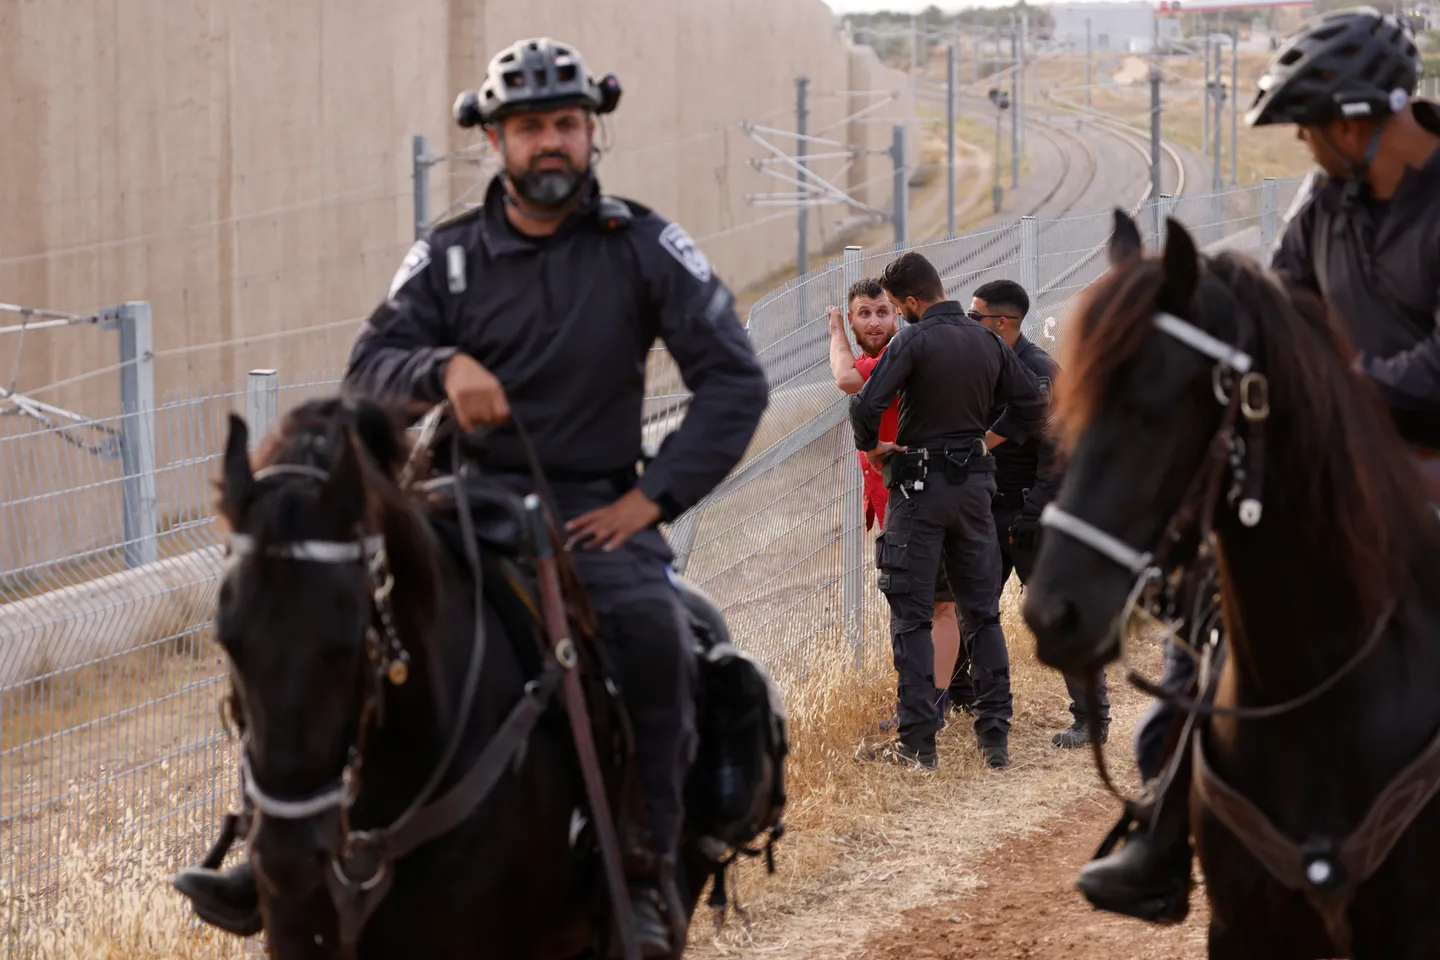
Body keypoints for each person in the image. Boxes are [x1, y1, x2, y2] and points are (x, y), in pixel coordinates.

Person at [171, 37, 769, 958]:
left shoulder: (644, 246)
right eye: (529, 128)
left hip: (594, 516)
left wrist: (652, 499)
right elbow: (370, 366)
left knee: (653, 637)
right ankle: (275, 850)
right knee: (314, 629)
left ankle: (643, 872)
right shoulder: (446, 259)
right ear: (495, 141)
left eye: (566, 124)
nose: (550, 144)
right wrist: (441, 366)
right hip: (456, 496)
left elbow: (735, 382)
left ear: (592, 130)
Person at [1074, 5, 1440, 927]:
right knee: (1218, 601)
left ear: (1359, 119)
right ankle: (1160, 829)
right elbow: (1289, 322)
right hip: (1350, 465)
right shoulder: (1326, 206)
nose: (1309, 146)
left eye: (1313, 127)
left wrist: (1348, 392)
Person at [850, 252, 1048, 770]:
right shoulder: (986, 338)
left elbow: (865, 405)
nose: (897, 313)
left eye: (895, 305)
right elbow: (1031, 404)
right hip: (976, 491)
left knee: (913, 613)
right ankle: (994, 736)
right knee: (980, 612)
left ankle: (918, 743)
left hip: (919, 489)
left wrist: (873, 446)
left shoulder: (913, 339)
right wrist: (985, 441)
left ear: (910, 302)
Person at [960, 279, 1111, 749]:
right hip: (987, 509)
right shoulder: (986, 364)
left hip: (1030, 513)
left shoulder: (1038, 370)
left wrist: (1034, 511)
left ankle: (1091, 719)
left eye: (975, 317)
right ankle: (969, 702)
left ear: (1000, 323)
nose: (967, 325)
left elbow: (1063, 448)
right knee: (973, 611)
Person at [827, 279, 964, 731]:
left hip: (922, 499)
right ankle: (936, 700)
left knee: (936, 606)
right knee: (924, 606)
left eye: (881, 312)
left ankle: (933, 706)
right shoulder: (884, 355)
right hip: (899, 505)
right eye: (863, 314)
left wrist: (834, 333)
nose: (873, 322)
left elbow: (846, 379)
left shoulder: (901, 352)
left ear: (899, 313)